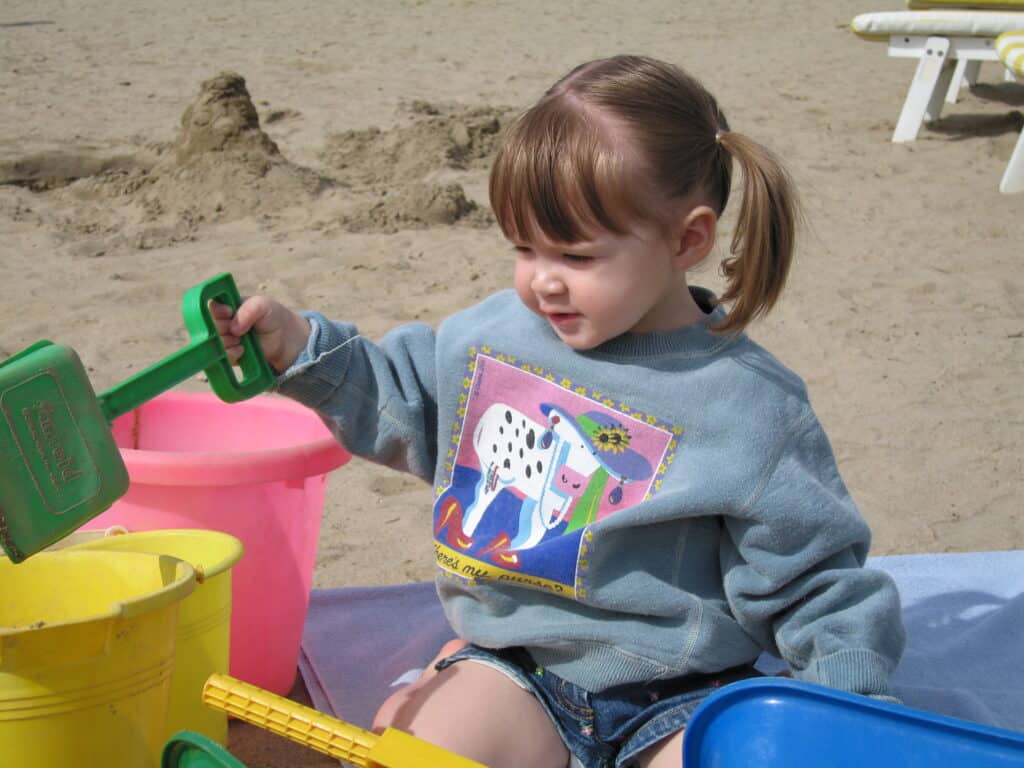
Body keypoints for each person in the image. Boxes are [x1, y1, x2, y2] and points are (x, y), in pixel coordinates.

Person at [214, 54, 905, 768]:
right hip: (518, 667)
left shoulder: (748, 405)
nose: (542, 281)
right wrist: (301, 349)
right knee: (421, 756)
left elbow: (814, 578)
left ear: (686, 240)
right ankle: (448, 678)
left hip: (683, 691)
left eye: (575, 255)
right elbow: (403, 401)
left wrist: (846, 705)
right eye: (523, 247)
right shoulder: (492, 340)